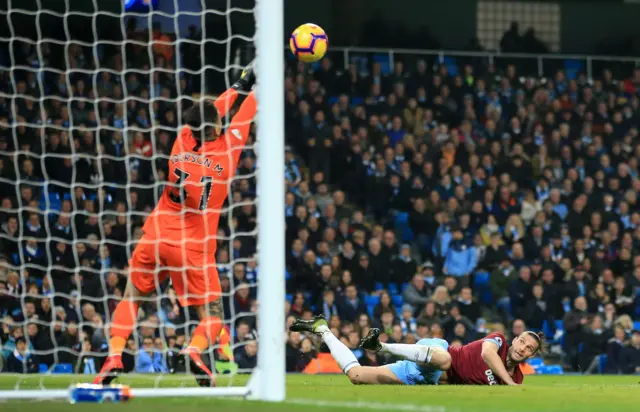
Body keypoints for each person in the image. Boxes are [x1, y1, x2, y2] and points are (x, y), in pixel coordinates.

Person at [94, 62, 257, 387]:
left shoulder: (181, 140)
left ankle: (114, 355)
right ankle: (195, 352)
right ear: (214, 128)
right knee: (212, 315)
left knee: (131, 298)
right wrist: (254, 82)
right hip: (194, 248)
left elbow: (213, 111)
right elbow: (246, 111)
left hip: (155, 236)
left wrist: (239, 82)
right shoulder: (228, 150)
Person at [291, 315, 541, 386]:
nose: (523, 348)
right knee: (444, 360)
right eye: (522, 342)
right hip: (436, 352)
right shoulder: (498, 340)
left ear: (531, 355)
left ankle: (322, 329)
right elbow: (486, 354)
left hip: (420, 376)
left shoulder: (517, 377)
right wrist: (508, 383)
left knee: (356, 376)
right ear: (515, 339)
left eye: (529, 349)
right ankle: (381, 346)